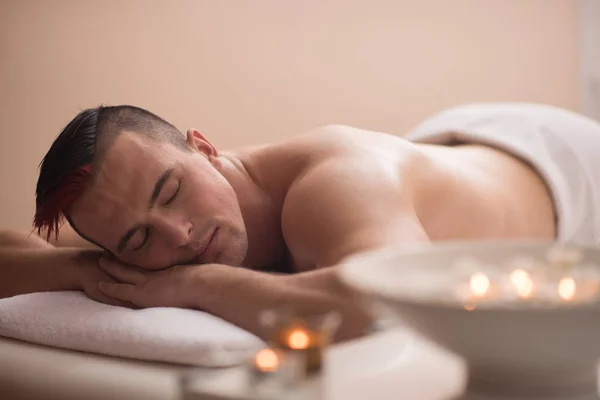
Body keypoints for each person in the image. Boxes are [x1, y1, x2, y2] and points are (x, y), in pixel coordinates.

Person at [1, 102, 599, 342]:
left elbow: (386, 302)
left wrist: (198, 283)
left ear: (204, 147)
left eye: (173, 191)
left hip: (570, 174)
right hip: (444, 154)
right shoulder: (130, 221)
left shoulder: (335, 184)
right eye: (138, 239)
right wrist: (86, 269)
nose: (177, 234)